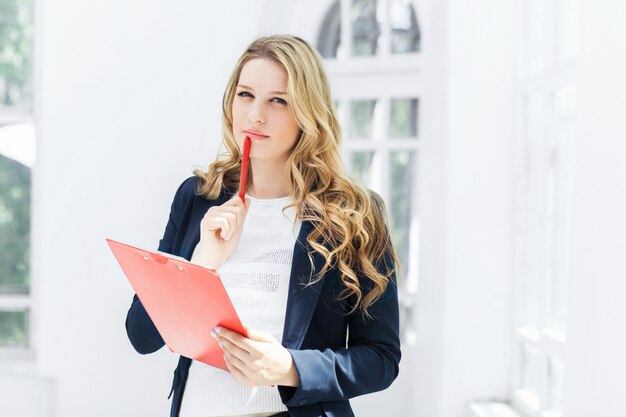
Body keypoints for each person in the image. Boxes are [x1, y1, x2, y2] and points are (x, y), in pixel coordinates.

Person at [125, 34, 401, 417]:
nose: (255, 114)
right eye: (245, 95)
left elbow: (382, 358)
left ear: (308, 111)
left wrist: (290, 368)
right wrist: (202, 263)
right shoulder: (196, 197)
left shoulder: (355, 214)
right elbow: (141, 336)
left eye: (278, 101)